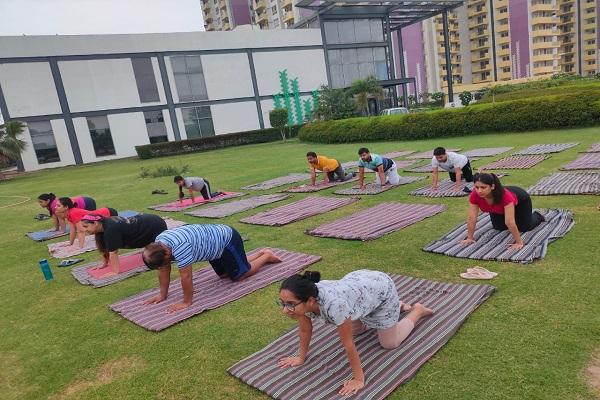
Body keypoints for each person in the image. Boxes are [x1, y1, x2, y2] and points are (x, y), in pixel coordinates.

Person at [277, 270, 433, 396]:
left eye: (290, 304)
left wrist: (358, 379)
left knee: (390, 343)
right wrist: (300, 357)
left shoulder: (334, 306)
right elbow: (305, 329)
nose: (285, 310)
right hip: (359, 289)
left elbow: (348, 344)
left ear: (310, 301)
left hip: (380, 287)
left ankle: (417, 310)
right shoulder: (304, 298)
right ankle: (396, 308)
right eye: (283, 303)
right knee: (357, 330)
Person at [141, 224, 282, 313]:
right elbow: (164, 270)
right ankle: (256, 255)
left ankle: (267, 256)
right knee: (224, 275)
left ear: (166, 254)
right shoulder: (160, 243)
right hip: (213, 249)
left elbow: (186, 276)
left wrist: (186, 302)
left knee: (240, 276)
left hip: (226, 240)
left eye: (165, 263)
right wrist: (162, 295)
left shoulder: (179, 246)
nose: (165, 267)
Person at [460, 173, 545, 250]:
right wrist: (470, 238)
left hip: (521, 201)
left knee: (524, 227)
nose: (479, 191)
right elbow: (472, 218)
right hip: (498, 208)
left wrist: (519, 242)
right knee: (498, 227)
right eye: (477, 187)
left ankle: (538, 215)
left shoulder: (505, 196)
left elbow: (509, 222)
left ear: (492, 186)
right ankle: (512, 214)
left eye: (483, 187)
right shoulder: (475, 195)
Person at [80, 214, 167, 276]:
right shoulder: (104, 226)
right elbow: (104, 247)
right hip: (146, 222)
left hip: (155, 224)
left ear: (95, 223)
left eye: (86, 226)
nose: (84, 230)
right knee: (150, 248)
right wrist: (104, 263)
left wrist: (115, 271)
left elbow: (113, 252)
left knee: (160, 252)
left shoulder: (110, 229)